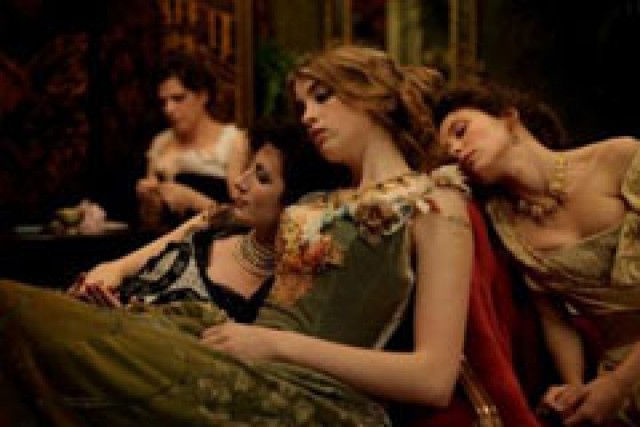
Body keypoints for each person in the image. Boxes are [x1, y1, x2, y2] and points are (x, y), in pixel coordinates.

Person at [0, 45, 471, 426]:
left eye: (321, 98)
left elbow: (433, 379)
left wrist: (272, 345)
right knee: (37, 324)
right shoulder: (319, 198)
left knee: (22, 315)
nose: (308, 116)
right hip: (235, 353)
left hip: (310, 397)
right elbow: (212, 218)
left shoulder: (436, 202)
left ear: (372, 97)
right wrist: (119, 267)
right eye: (303, 104)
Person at [435, 80, 640, 426]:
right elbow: (553, 315)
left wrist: (620, 384)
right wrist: (574, 385)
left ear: (509, 119)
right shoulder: (503, 222)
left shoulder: (619, 157)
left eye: (460, 131)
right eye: (448, 150)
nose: (455, 149)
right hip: (615, 375)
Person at [69, 120, 339, 323]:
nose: (240, 182)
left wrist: (126, 325)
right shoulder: (216, 222)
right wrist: (105, 277)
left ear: (294, 201)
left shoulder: (283, 288)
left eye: (261, 177)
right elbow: (121, 266)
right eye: (247, 168)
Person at [136, 51, 250, 230]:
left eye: (178, 98)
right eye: (163, 102)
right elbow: (150, 222)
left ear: (203, 96)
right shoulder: (161, 142)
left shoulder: (232, 140)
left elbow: (242, 218)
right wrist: (149, 200)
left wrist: (193, 201)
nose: (169, 109)